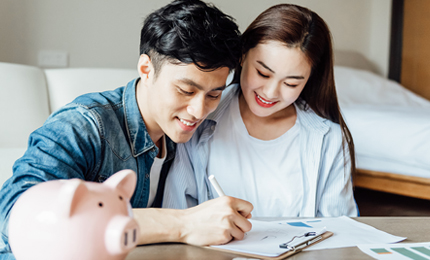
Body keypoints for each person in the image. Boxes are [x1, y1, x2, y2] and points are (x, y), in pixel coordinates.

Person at [0, 0, 254, 258]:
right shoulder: (84, 126)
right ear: (146, 69)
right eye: (186, 91)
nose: (199, 111)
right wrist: (182, 224)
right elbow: (16, 216)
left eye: (213, 95)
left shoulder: (191, 135)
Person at [163, 3, 358, 217]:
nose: (271, 92)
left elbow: (340, 231)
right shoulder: (198, 118)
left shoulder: (328, 139)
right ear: (242, 56)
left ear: (309, 80)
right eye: (263, 73)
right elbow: (177, 214)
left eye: (291, 84)